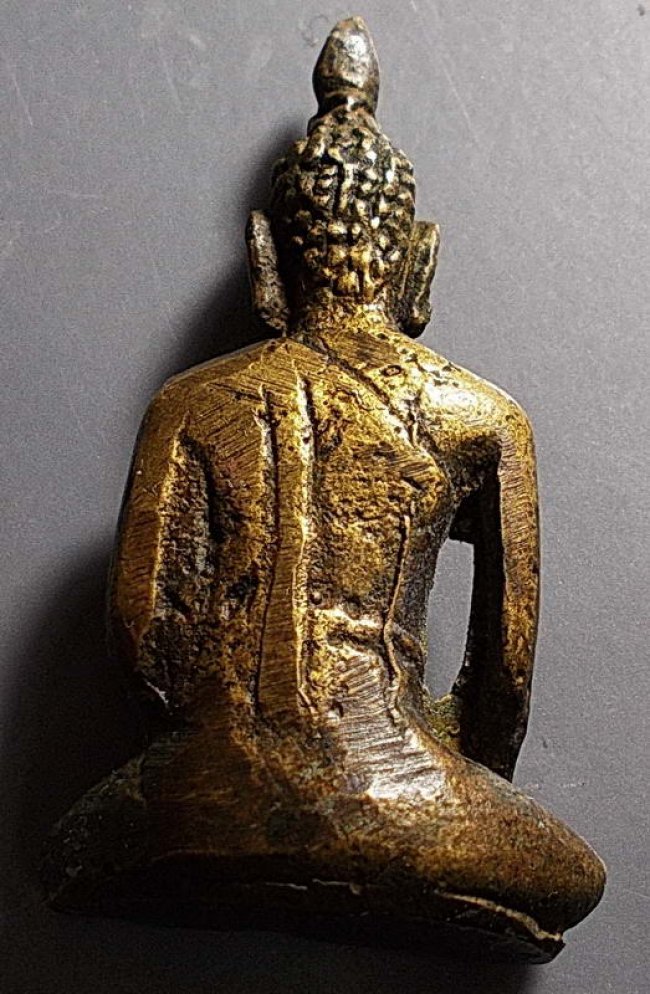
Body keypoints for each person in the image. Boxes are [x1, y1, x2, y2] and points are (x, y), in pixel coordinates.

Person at [43, 18, 604, 960]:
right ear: (420, 261)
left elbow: (140, 640)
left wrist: (214, 749)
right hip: (406, 782)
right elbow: (503, 682)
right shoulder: (482, 417)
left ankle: (229, 841)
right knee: (570, 878)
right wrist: (441, 777)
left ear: (264, 257)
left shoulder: (192, 401)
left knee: (84, 843)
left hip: (208, 791)